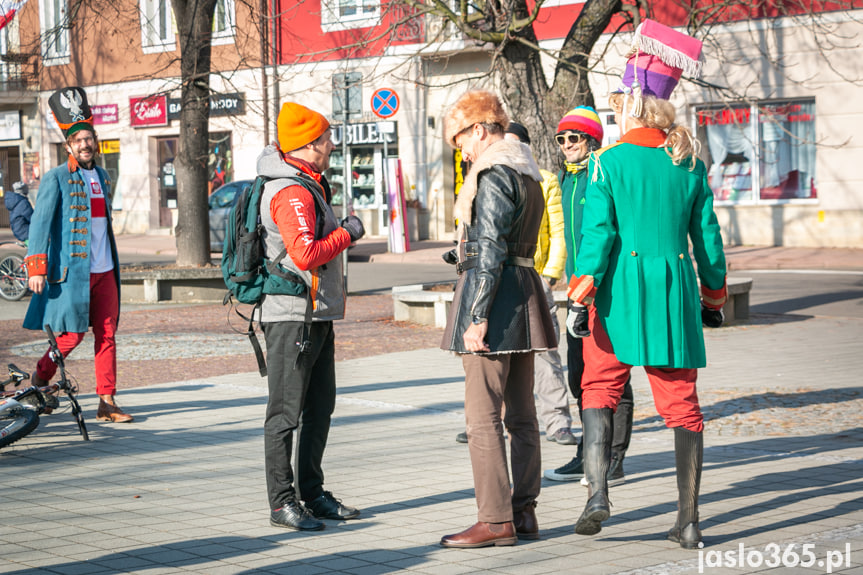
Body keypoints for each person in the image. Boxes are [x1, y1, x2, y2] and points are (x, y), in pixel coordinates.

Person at [567, 20, 727, 550]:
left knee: (599, 388)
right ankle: (688, 520)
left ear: (634, 104)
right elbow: (708, 240)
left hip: (616, 293)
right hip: (673, 290)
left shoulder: (607, 162)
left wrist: (581, 292)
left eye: (619, 101)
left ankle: (596, 495)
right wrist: (714, 296)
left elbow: (597, 238)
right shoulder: (690, 163)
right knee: (682, 403)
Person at [439, 90, 557, 548]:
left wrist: (475, 317)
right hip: (524, 296)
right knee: (522, 415)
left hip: (494, 299)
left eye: (461, 140)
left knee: (482, 417)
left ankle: (495, 519)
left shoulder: (491, 173)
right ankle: (524, 511)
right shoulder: (527, 170)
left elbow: (489, 250)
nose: (462, 151)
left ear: (480, 129)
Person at [258, 102, 366, 532]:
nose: (332, 145)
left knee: (320, 407)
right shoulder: (290, 191)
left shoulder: (310, 183)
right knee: (285, 412)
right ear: (308, 145)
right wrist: (348, 233)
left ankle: (313, 494)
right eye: (326, 139)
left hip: (315, 314)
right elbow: (304, 254)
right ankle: (282, 501)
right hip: (291, 316)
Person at [24, 86, 132, 423]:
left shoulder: (103, 175)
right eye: (79, 140)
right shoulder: (57, 178)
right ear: (69, 145)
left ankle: (107, 401)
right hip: (72, 273)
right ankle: (41, 377)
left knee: (107, 334)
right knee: (72, 335)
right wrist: (37, 268)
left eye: (89, 138)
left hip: (105, 270)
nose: (85, 144)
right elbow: (40, 225)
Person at [543, 107, 634, 484]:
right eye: (561, 139)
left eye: (574, 138)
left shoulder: (603, 173)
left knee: (614, 374)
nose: (567, 146)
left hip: (606, 291)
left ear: (592, 140)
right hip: (576, 291)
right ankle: (588, 451)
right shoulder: (568, 178)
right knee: (581, 373)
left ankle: (613, 457)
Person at [503, 122, 576, 446]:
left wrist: (550, 275)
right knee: (500, 353)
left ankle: (557, 421)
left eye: (515, 143)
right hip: (502, 281)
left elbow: (559, 231)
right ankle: (495, 419)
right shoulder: (492, 180)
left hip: (536, 278)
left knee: (546, 353)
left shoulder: (544, 180)